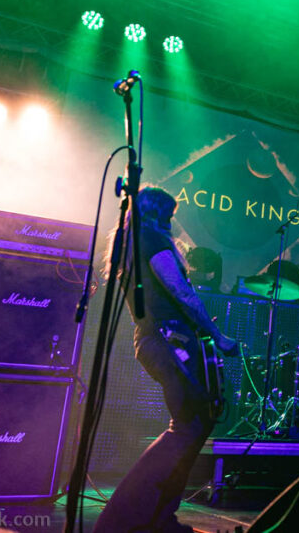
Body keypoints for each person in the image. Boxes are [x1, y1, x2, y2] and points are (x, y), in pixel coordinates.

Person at [94, 187, 239, 533]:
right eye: (170, 214)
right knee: (186, 426)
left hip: (161, 338)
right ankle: (121, 517)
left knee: (196, 423)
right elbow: (179, 291)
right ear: (157, 212)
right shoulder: (151, 239)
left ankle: (160, 517)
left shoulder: (132, 242)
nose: (172, 222)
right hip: (167, 339)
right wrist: (217, 335)